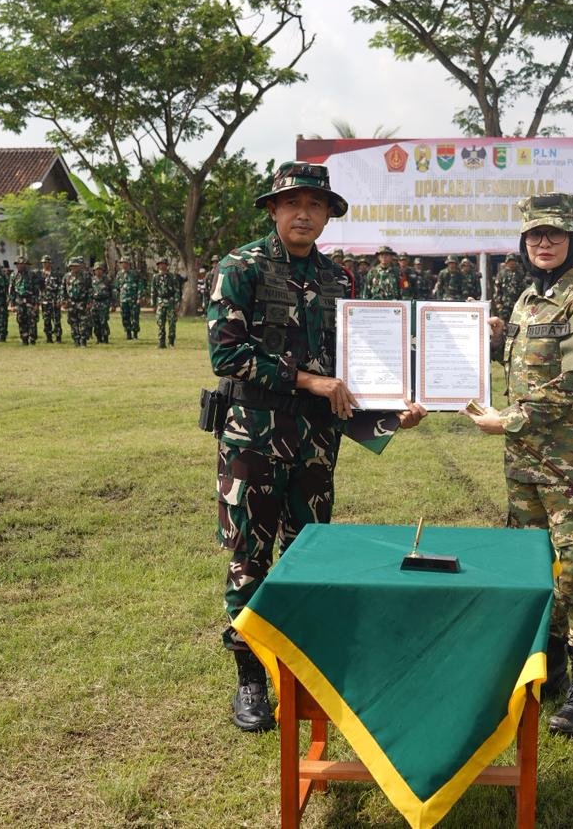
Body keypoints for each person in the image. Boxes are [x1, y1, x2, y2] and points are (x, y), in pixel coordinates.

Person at [206, 161, 426, 732]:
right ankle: (252, 677)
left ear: (328, 215)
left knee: (308, 552)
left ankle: (302, 668)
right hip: (254, 435)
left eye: (316, 205)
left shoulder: (339, 280)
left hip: (315, 441)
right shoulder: (240, 268)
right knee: (250, 555)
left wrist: (393, 410)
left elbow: (356, 366)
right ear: (273, 209)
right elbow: (227, 356)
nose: (304, 214)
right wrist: (308, 380)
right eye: (293, 203)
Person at [466, 192, 573, 737]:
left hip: (572, 464)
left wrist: (508, 420)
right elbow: (524, 367)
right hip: (524, 461)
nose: (544, 243)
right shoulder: (528, 299)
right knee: (532, 565)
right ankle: (548, 669)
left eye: (555, 234)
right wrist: (486, 342)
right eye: (535, 234)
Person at [10, 255, 42, 345]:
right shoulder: (13, 275)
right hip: (19, 300)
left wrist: (37, 303)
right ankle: (24, 338)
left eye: (22, 264)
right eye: (18, 264)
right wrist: (12, 303)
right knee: (21, 319)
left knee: (32, 320)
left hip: (30, 300)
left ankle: (32, 339)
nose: (19, 265)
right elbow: (11, 290)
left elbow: (36, 290)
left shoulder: (32, 275)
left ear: (25, 265)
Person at [62, 257, 92, 346]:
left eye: (76, 266)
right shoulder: (66, 276)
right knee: (72, 322)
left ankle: (83, 341)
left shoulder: (86, 276)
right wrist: (63, 301)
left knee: (83, 322)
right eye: (72, 266)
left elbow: (90, 290)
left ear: (80, 266)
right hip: (71, 303)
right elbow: (63, 290)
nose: (74, 268)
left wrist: (89, 302)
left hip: (82, 302)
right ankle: (76, 340)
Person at [150, 258, 181, 348]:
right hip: (160, 302)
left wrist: (177, 302)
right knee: (160, 322)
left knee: (172, 322)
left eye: (163, 264)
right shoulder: (155, 277)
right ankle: (161, 342)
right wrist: (153, 303)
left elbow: (177, 291)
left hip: (170, 301)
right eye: (160, 264)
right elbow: (153, 291)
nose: (162, 266)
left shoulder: (172, 277)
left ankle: (171, 342)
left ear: (167, 265)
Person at [115, 258, 144, 339]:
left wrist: (139, 297)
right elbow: (117, 287)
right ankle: (128, 332)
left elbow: (140, 286)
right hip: (123, 299)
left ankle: (135, 333)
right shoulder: (119, 274)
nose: (124, 265)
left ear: (129, 264)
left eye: (125, 263)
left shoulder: (135, 274)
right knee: (125, 316)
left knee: (135, 316)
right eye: (122, 263)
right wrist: (117, 299)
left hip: (133, 299)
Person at [39, 255, 64, 343]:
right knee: (46, 320)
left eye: (47, 262)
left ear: (50, 263)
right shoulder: (40, 274)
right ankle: (48, 338)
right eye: (43, 263)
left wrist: (60, 300)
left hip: (54, 300)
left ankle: (58, 338)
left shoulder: (56, 274)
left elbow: (61, 288)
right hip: (45, 300)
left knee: (56, 320)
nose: (45, 264)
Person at [90, 260, 113, 344]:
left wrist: (113, 304)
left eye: (100, 269)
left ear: (103, 270)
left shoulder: (107, 280)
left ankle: (105, 337)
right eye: (97, 270)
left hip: (104, 302)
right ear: (94, 271)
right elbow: (89, 291)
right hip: (94, 302)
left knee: (103, 321)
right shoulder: (91, 280)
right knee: (95, 321)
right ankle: (98, 338)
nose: (98, 271)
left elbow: (112, 292)